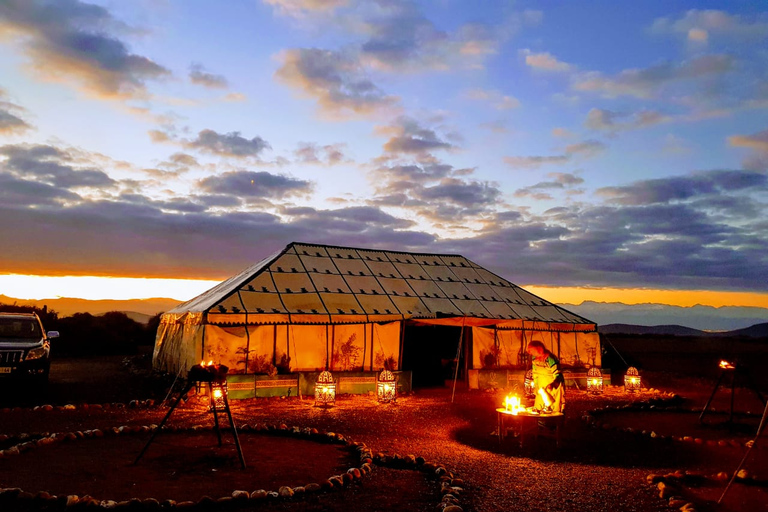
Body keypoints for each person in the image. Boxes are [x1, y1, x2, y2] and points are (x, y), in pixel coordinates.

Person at [526, 340, 565, 414]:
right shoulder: (534, 359)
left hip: (552, 388)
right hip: (542, 388)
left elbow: (558, 374)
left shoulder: (550, 358)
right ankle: (541, 424)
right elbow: (535, 374)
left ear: (538, 349)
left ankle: (553, 423)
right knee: (539, 409)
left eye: (531, 350)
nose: (530, 353)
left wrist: (553, 384)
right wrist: (536, 385)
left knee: (553, 410)